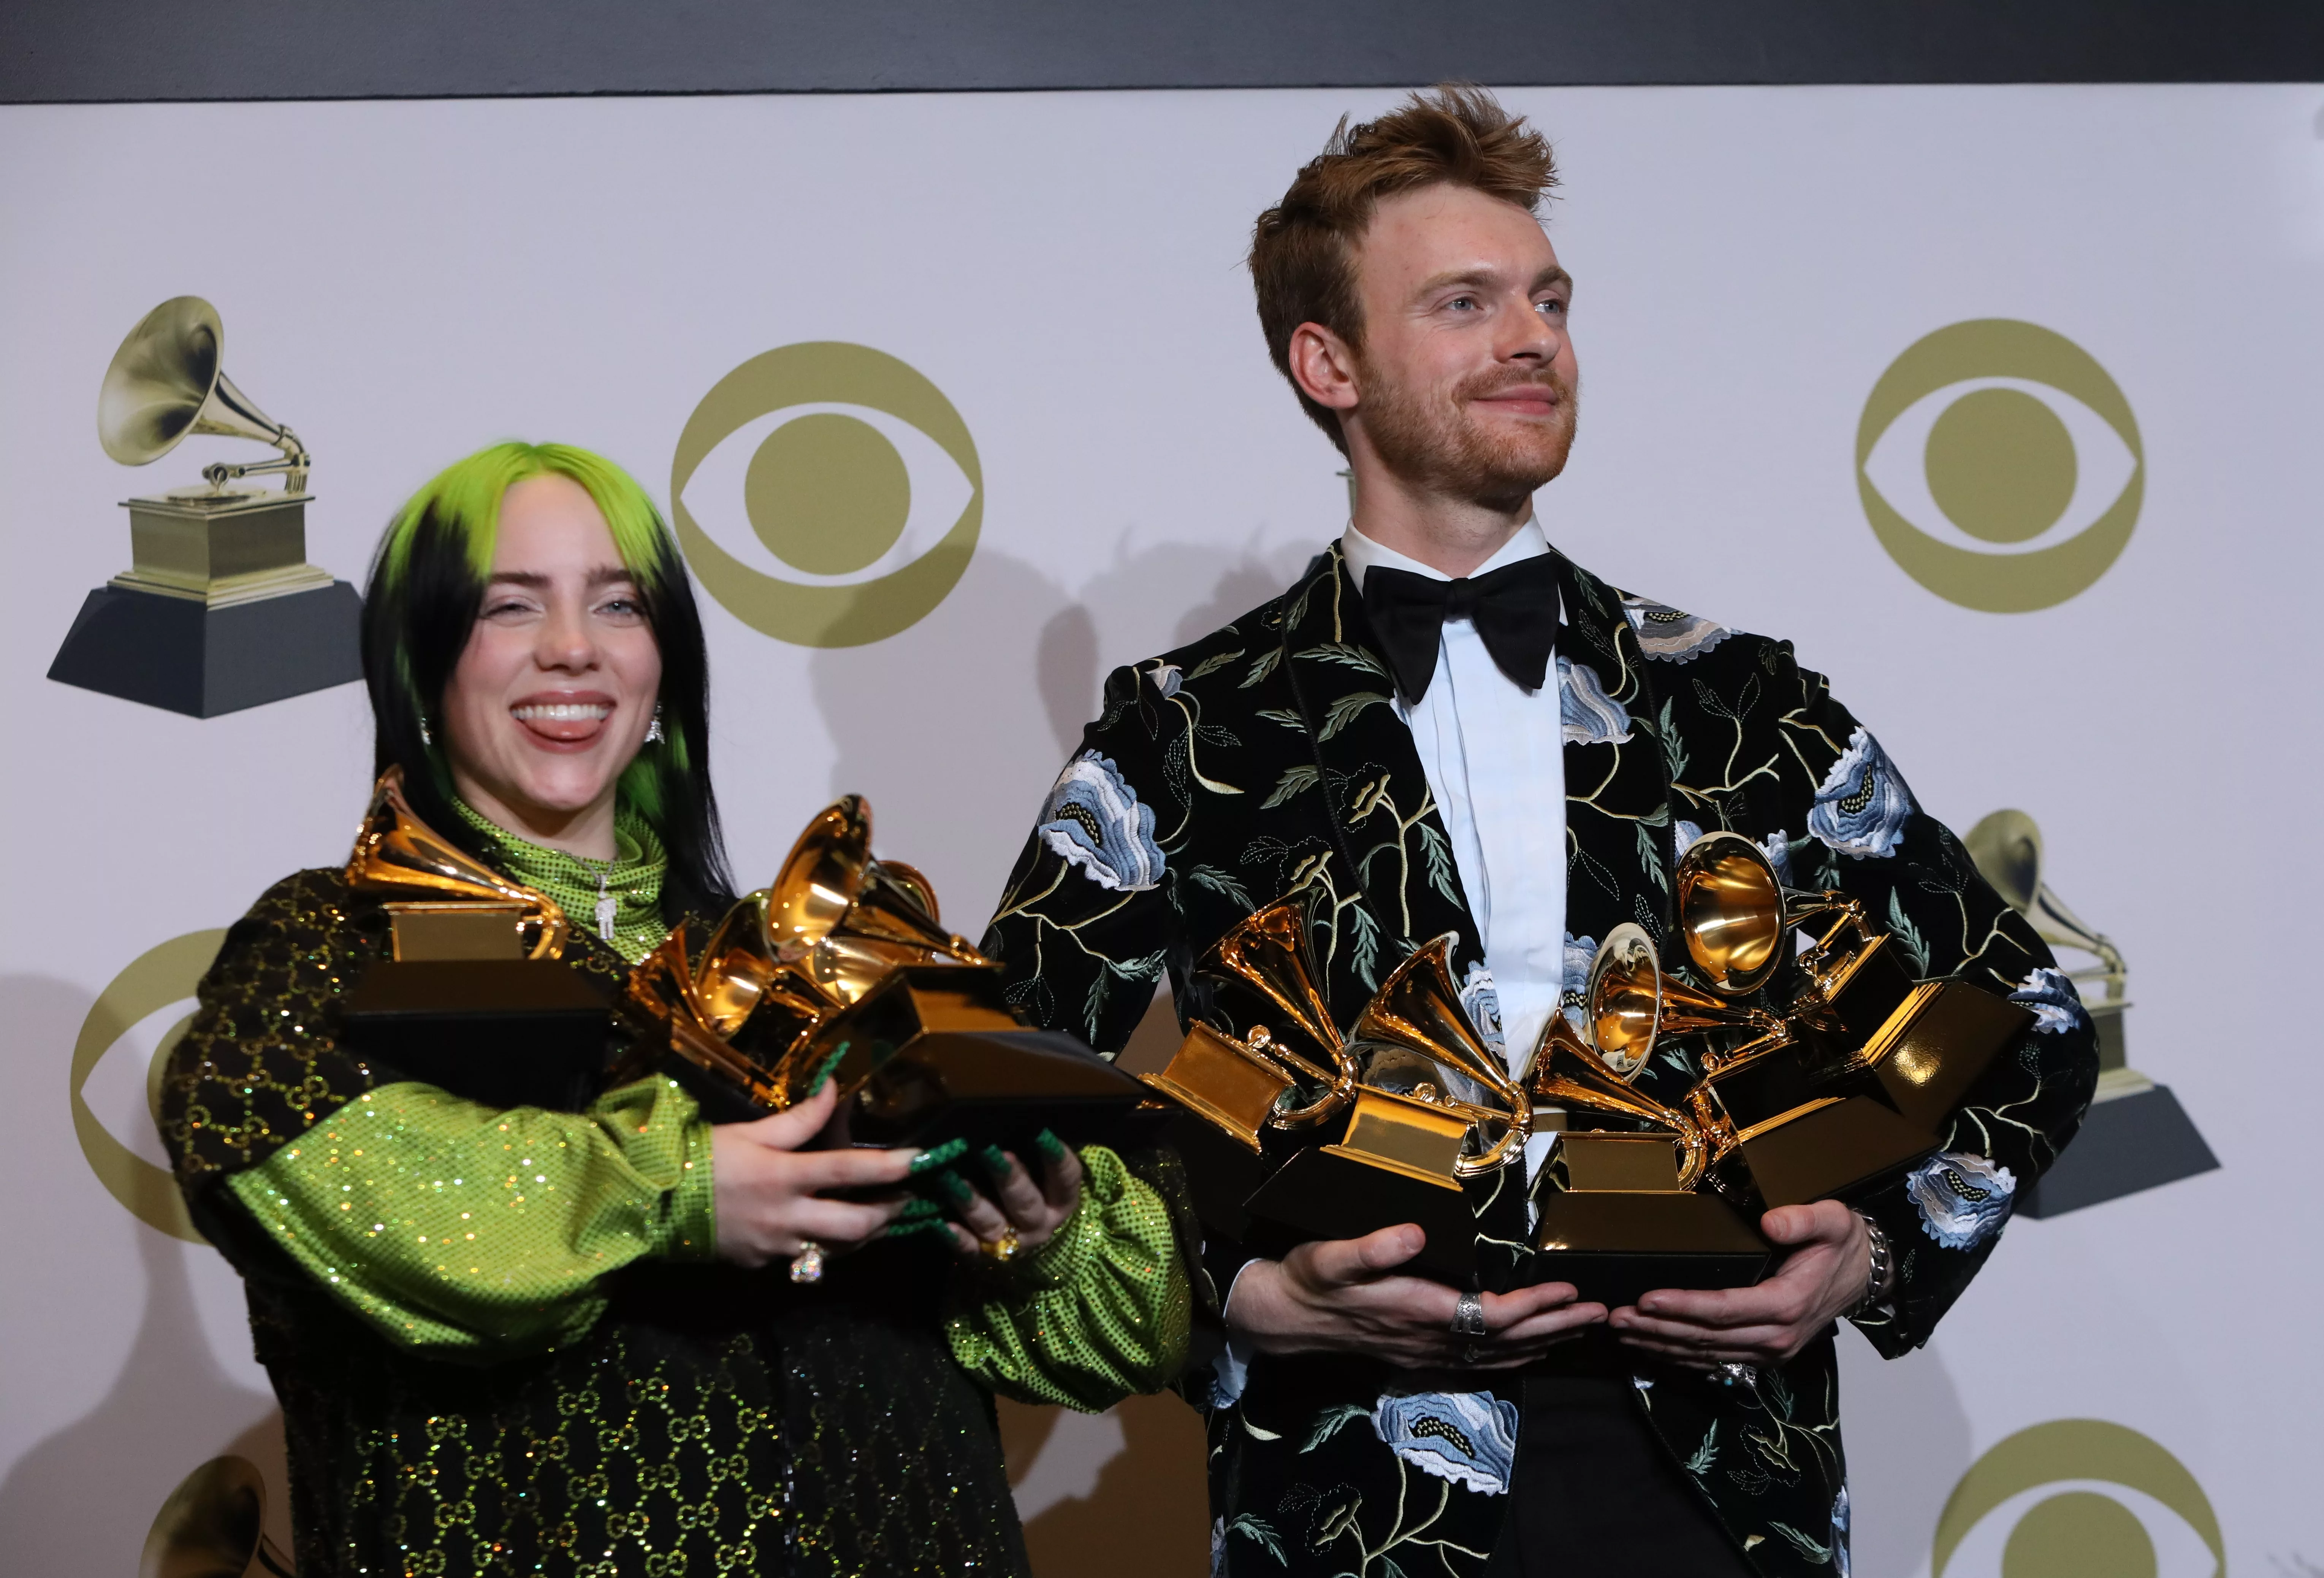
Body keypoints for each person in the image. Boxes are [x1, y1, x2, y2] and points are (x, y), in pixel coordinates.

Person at [982, 88, 2098, 1577]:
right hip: (1349, 1495)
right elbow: (994, 1102)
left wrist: (1873, 1247)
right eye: (1464, 303)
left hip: (1722, 1489)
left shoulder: (1741, 702)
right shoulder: (1184, 732)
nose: (1532, 340)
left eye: (1549, 300)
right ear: (1328, 363)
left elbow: (2026, 1020)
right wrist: (1241, 1298)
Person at [158, 441, 1196, 1576]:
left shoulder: (820, 954)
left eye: (619, 604)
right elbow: (344, 1179)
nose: (574, 646)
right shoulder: (326, 942)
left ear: (665, 672)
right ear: (419, 664)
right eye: (512, 606)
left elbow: (1129, 1330)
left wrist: (1041, 1234)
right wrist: (682, 1188)